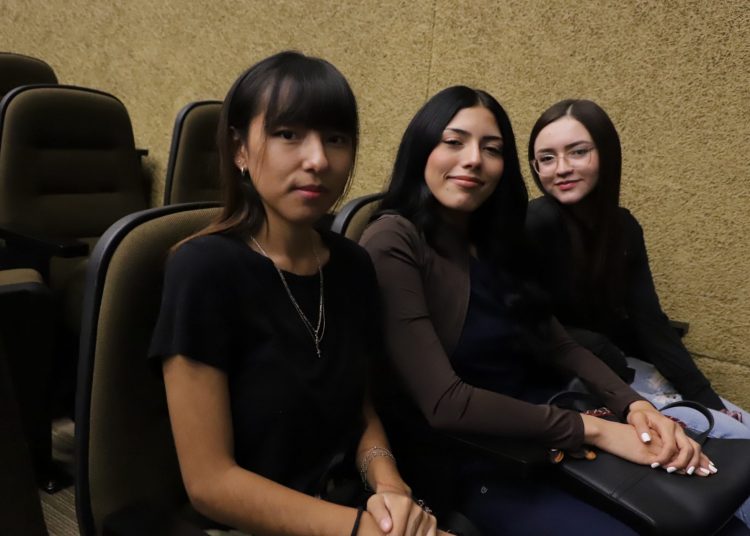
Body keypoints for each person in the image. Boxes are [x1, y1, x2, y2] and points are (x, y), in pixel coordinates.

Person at [359, 86, 715, 536]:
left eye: (492, 149)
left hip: (551, 427)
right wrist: (596, 430)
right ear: (421, 148)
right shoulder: (393, 239)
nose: (474, 159)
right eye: (454, 142)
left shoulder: (494, 239)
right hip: (480, 458)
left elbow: (559, 343)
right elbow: (444, 403)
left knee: (712, 506)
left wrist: (635, 406)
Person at [149, 51, 442, 536]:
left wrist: (390, 488)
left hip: (345, 506)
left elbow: (360, 410)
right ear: (240, 150)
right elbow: (210, 483)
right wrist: (361, 529)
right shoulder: (202, 270)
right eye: (288, 135)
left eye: (336, 139)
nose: (319, 160)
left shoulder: (352, 265)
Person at [525, 98, 750, 527]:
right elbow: (529, 329)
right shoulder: (534, 223)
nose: (561, 168)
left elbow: (651, 322)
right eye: (546, 158)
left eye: (578, 152)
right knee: (721, 445)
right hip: (570, 383)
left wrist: (706, 396)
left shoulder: (623, 226)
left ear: (606, 155)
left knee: (738, 427)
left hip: (619, 366)